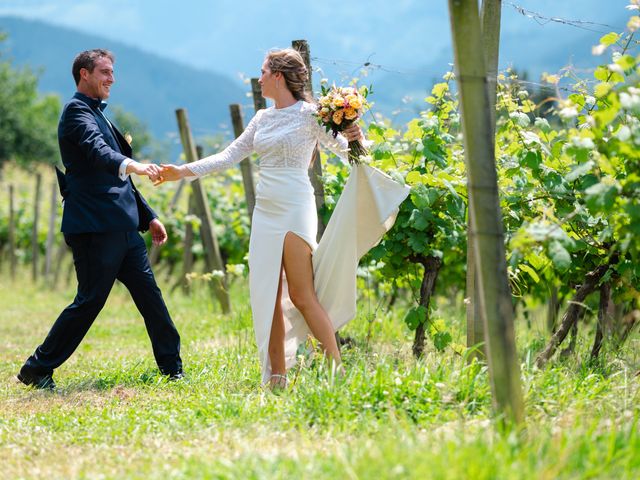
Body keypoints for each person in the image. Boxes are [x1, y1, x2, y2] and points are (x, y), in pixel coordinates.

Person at [157, 48, 408, 389]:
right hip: (266, 211)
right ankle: (277, 376)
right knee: (267, 296)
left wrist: (357, 137)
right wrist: (181, 172)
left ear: (278, 76)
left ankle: (336, 371)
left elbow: (349, 153)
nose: (258, 78)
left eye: (262, 72)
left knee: (303, 295)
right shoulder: (261, 118)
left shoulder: (310, 116)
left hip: (294, 208)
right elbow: (228, 156)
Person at [17, 49, 183, 390]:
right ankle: (36, 368)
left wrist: (148, 216)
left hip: (122, 227)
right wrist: (134, 164)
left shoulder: (98, 113)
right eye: (105, 71)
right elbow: (100, 153)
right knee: (90, 300)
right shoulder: (76, 112)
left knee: (150, 296)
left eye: (112, 72)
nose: (112, 78)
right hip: (94, 227)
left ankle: (172, 368)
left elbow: (114, 178)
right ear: (84, 75)